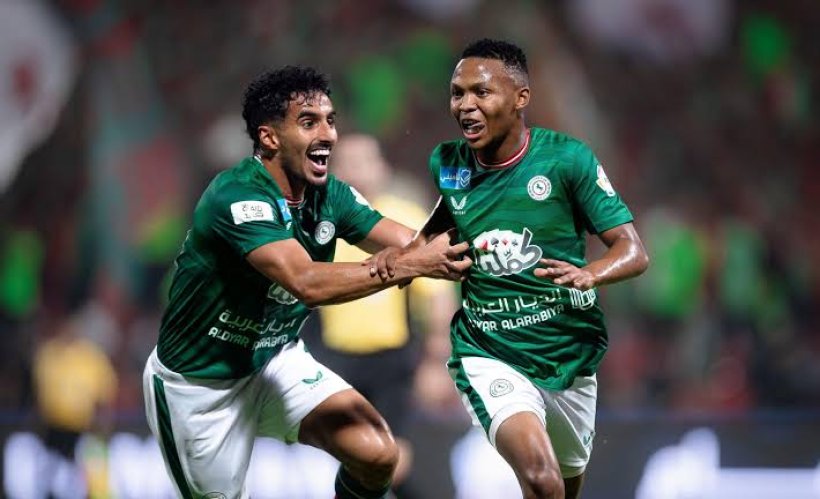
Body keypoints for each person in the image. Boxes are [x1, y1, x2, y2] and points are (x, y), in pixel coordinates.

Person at [142, 65, 471, 499]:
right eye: (309, 122)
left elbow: (415, 243)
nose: (328, 134)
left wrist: (475, 225)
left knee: (378, 454)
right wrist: (410, 265)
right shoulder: (237, 197)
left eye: (330, 120)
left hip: (275, 361)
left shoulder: (330, 195)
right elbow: (306, 282)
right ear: (269, 137)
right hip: (202, 385)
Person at [371, 39, 649, 499]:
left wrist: (591, 273)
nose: (465, 105)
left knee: (562, 487)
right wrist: (405, 257)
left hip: (566, 354)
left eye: (481, 92)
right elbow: (446, 220)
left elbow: (633, 251)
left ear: (521, 98)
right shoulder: (449, 163)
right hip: (488, 350)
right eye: (457, 93)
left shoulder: (567, 160)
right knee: (540, 477)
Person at [308, 133, 458, 497]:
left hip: (393, 362)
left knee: (393, 456)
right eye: (348, 164)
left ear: (382, 169)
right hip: (335, 364)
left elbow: (437, 295)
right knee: (358, 458)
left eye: (365, 162)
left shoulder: (404, 220)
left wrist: (437, 362)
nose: (357, 172)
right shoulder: (318, 225)